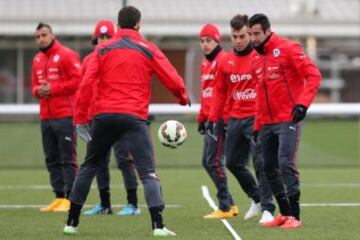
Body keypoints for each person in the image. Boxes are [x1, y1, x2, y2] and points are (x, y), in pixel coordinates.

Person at [63, 6, 190, 237]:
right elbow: (171, 76)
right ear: (139, 24)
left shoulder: (102, 49)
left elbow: (85, 85)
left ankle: (71, 223)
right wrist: (182, 97)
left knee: (89, 166)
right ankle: (158, 226)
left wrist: (80, 119)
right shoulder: (148, 49)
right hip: (134, 118)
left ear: (117, 26)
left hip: (104, 117)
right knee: (148, 172)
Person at [248, 13, 321, 229]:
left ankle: (296, 217)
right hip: (267, 123)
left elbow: (314, 75)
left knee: (285, 163)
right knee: (266, 166)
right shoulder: (255, 58)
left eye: (257, 34)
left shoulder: (289, 48)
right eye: (250, 34)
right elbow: (260, 95)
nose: (253, 38)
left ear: (267, 31)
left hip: (288, 118)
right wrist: (256, 125)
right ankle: (284, 214)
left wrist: (303, 104)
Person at [208, 14, 275, 224]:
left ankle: (268, 208)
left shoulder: (260, 57)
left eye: (243, 36)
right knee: (233, 162)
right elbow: (219, 91)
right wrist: (213, 117)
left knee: (260, 164)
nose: (238, 40)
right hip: (234, 120)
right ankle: (256, 197)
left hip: (257, 118)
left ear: (250, 34)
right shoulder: (225, 60)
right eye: (235, 36)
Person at [80, 20, 140, 217]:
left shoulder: (119, 56)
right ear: (95, 40)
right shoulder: (89, 60)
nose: (104, 40)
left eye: (108, 37)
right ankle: (105, 205)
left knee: (124, 159)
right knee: (98, 161)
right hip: (97, 119)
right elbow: (84, 90)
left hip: (118, 115)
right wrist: (85, 118)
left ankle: (133, 204)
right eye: (101, 37)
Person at [31, 22, 80, 212]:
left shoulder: (66, 55)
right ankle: (58, 197)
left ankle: (71, 199)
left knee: (67, 158)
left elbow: (78, 80)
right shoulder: (36, 59)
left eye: (43, 35)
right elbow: (33, 86)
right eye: (37, 36)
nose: (41, 39)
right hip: (46, 116)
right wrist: (38, 90)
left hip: (65, 115)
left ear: (52, 35)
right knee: (51, 158)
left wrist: (53, 88)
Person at [197, 23, 238, 219]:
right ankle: (231, 203)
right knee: (207, 162)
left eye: (209, 40)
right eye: (202, 41)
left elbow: (224, 93)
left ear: (217, 41)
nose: (205, 44)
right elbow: (206, 94)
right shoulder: (205, 63)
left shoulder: (223, 60)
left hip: (220, 119)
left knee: (214, 162)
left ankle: (225, 206)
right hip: (209, 119)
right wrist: (201, 117)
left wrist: (220, 117)